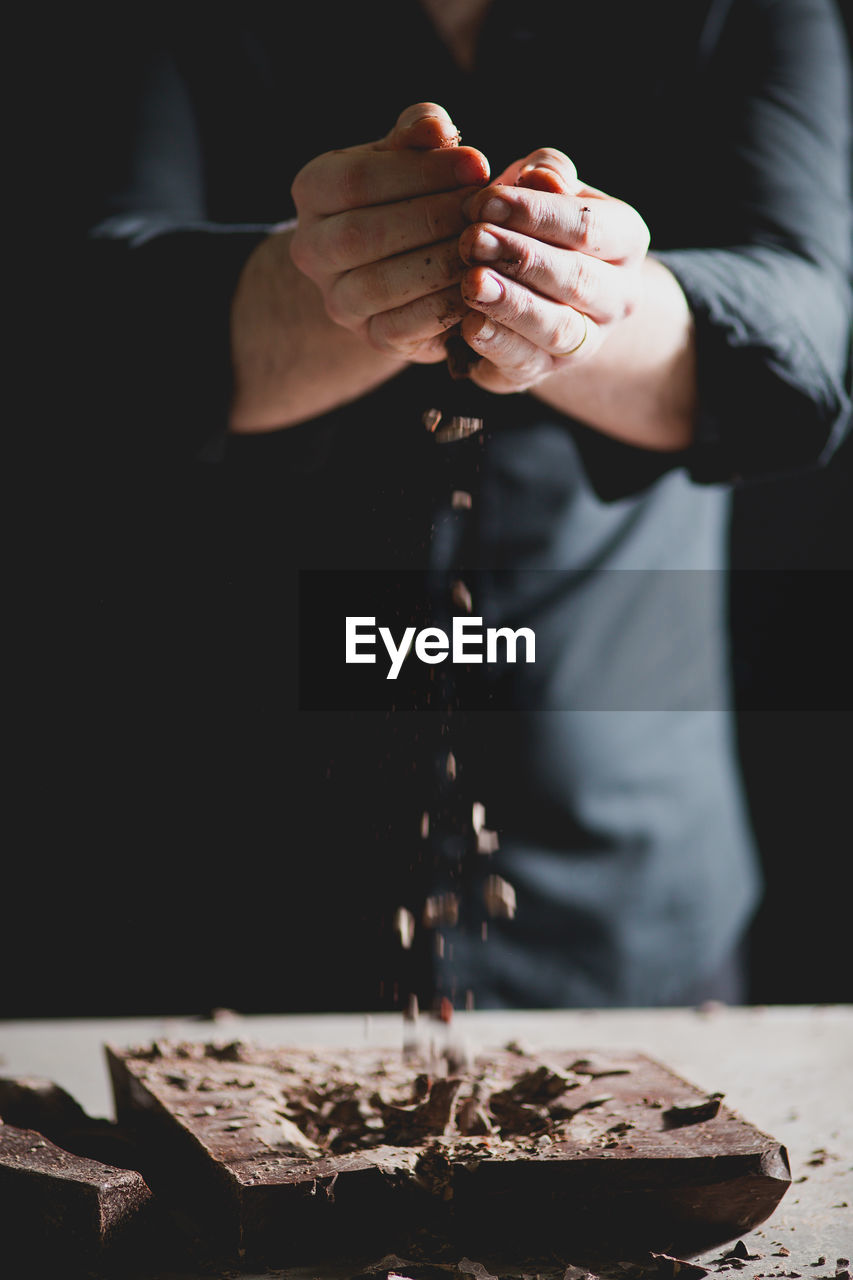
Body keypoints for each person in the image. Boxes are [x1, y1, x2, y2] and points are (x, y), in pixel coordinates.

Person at [20, 0, 851, 1018]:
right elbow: (72, 325)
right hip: (226, 871)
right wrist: (331, 283)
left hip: (618, 893)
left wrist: (583, 305)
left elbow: (808, 334)